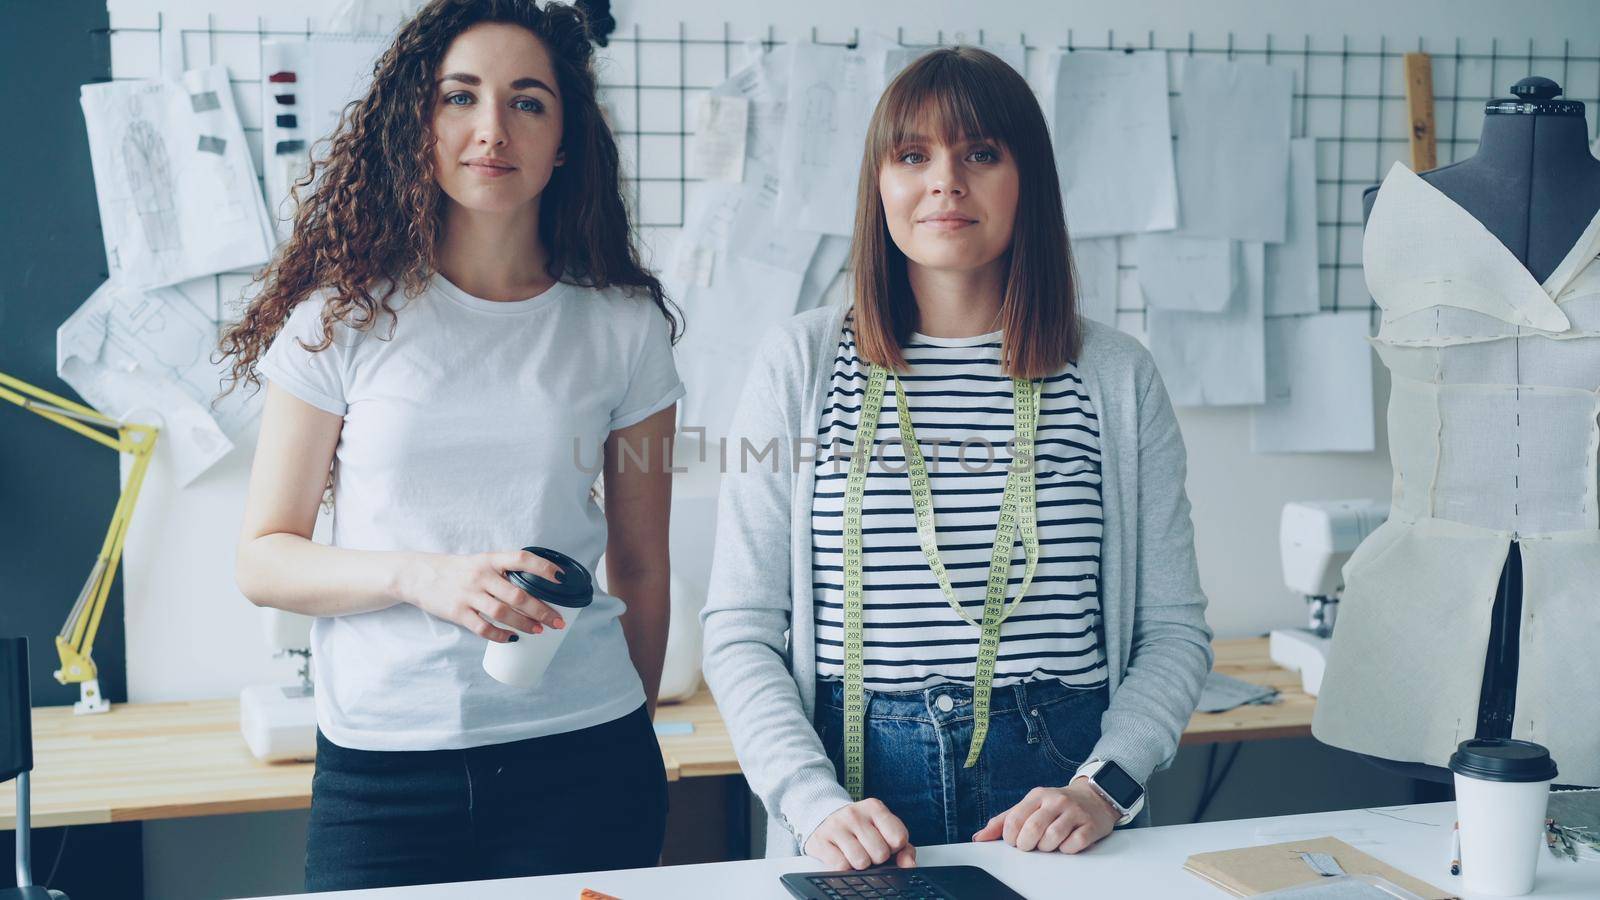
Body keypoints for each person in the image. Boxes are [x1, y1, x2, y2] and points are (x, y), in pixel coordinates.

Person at [701, 46, 1213, 870]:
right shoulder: (801, 363)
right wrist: (811, 802)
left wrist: (1104, 787)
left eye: (980, 153)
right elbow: (739, 630)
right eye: (913, 156)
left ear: (1028, 182)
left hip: (1061, 789)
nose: (945, 181)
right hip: (853, 794)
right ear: (881, 185)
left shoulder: (1114, 377)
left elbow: (1173, 631)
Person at [218, 0, 680, 890]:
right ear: (417, 125)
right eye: (459, 97)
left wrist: (635, 732)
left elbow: (643, 565)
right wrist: (416, 575)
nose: (491, 129)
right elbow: (263, 559)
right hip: (383, 771)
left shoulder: (624, 329)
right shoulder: (339, 322)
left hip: (586, 757)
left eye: (528, 102)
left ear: (567, 141)